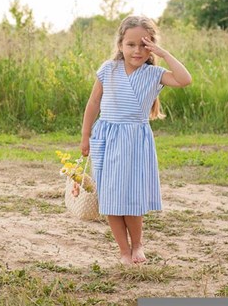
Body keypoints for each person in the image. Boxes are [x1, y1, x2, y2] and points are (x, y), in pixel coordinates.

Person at [80, 15, 192, 265]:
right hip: (107, 139)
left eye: (144, 44)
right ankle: (123, 250)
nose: (137, 50)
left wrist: (163, 53)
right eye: (131, 44)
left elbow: (185, 79)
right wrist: (85, 136)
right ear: (120, 44)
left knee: (132, 196)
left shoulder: (154, 74)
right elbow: (94, 102)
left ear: (151, 46)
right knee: (110, 197)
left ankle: (137, 245)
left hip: (135, 142)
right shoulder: (108, 69)